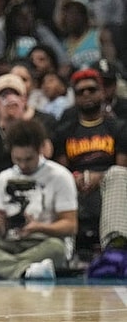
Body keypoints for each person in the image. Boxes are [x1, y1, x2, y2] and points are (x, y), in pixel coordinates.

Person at [0, 119, 78, 280]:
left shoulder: (60, 176)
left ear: (41, 149)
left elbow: (71, 226)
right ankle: (25, 271)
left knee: (56, 249)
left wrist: (38, 227)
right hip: (9, 243)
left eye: (28, 159)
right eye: (17, 159)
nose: (23, 165)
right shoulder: (3, 178)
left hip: (43, 242)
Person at [52, 69, 127, 258]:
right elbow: (61, 170)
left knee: (117, 174)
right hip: (74, 186)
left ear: (102, 92)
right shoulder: (64, 131)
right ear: (74, 98)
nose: (86, 95)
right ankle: (65, 248)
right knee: (59, 180)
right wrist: (77, 179)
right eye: (80, 92)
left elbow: (122, 168)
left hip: (110, 185)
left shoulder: (118, 128)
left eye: (91, 90)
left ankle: (114, 245)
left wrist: (98, 177)